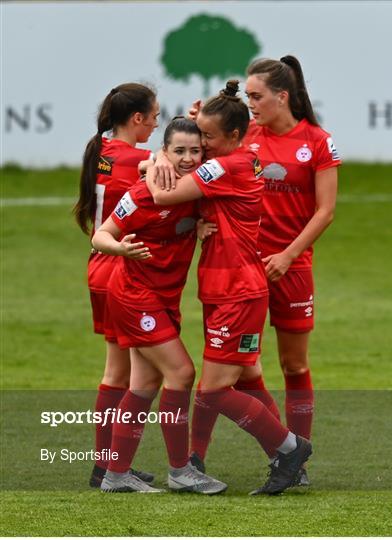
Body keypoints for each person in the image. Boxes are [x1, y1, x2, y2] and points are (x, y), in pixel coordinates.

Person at [146, 80, 312, 495]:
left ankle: (290, 448)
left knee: (214, 390)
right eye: (200, 134)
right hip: (230, 288)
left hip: (236, 291)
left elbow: (164, 197)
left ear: (233, 137)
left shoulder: (225, 166)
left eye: (208, 136)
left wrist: (153, 164)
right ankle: (272, 458)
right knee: (248, 376)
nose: (200, 143)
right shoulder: (245, 155)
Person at [189, 56, 341, 486]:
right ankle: (197, 458)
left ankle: (298, 461)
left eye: (257, 96)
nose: (251, 103)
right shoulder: (244, 134)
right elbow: (200, 156)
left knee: (293, 366)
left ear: (282, 96)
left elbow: (325, 211)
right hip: (242, 270)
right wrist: (193, 123)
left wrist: (289, 255)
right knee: (234, 366)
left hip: (290, 266)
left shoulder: (317, 141)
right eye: (249, 96)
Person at [91, 116, 228, 494]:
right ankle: (180, 470)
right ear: (164, 152)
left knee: (144, 384)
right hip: (135, 298)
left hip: (165, 300)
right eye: (178, 151)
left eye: (194, 151)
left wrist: (199, 227)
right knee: (182, 373)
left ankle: (115, 475)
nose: (187, 158)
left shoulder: (195, 189)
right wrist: (120, 248)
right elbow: (100, 235)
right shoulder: (141, 194)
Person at [73, 82, 159, 488]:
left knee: (118, 371)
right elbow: (174, 166)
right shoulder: (139, 158)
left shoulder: (102, 150)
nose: (158, 123)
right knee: (129, 374)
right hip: (118, 268)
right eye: (155, 116)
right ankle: (109, 467)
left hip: (98, 264)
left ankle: (106, 464)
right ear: (137, 118)